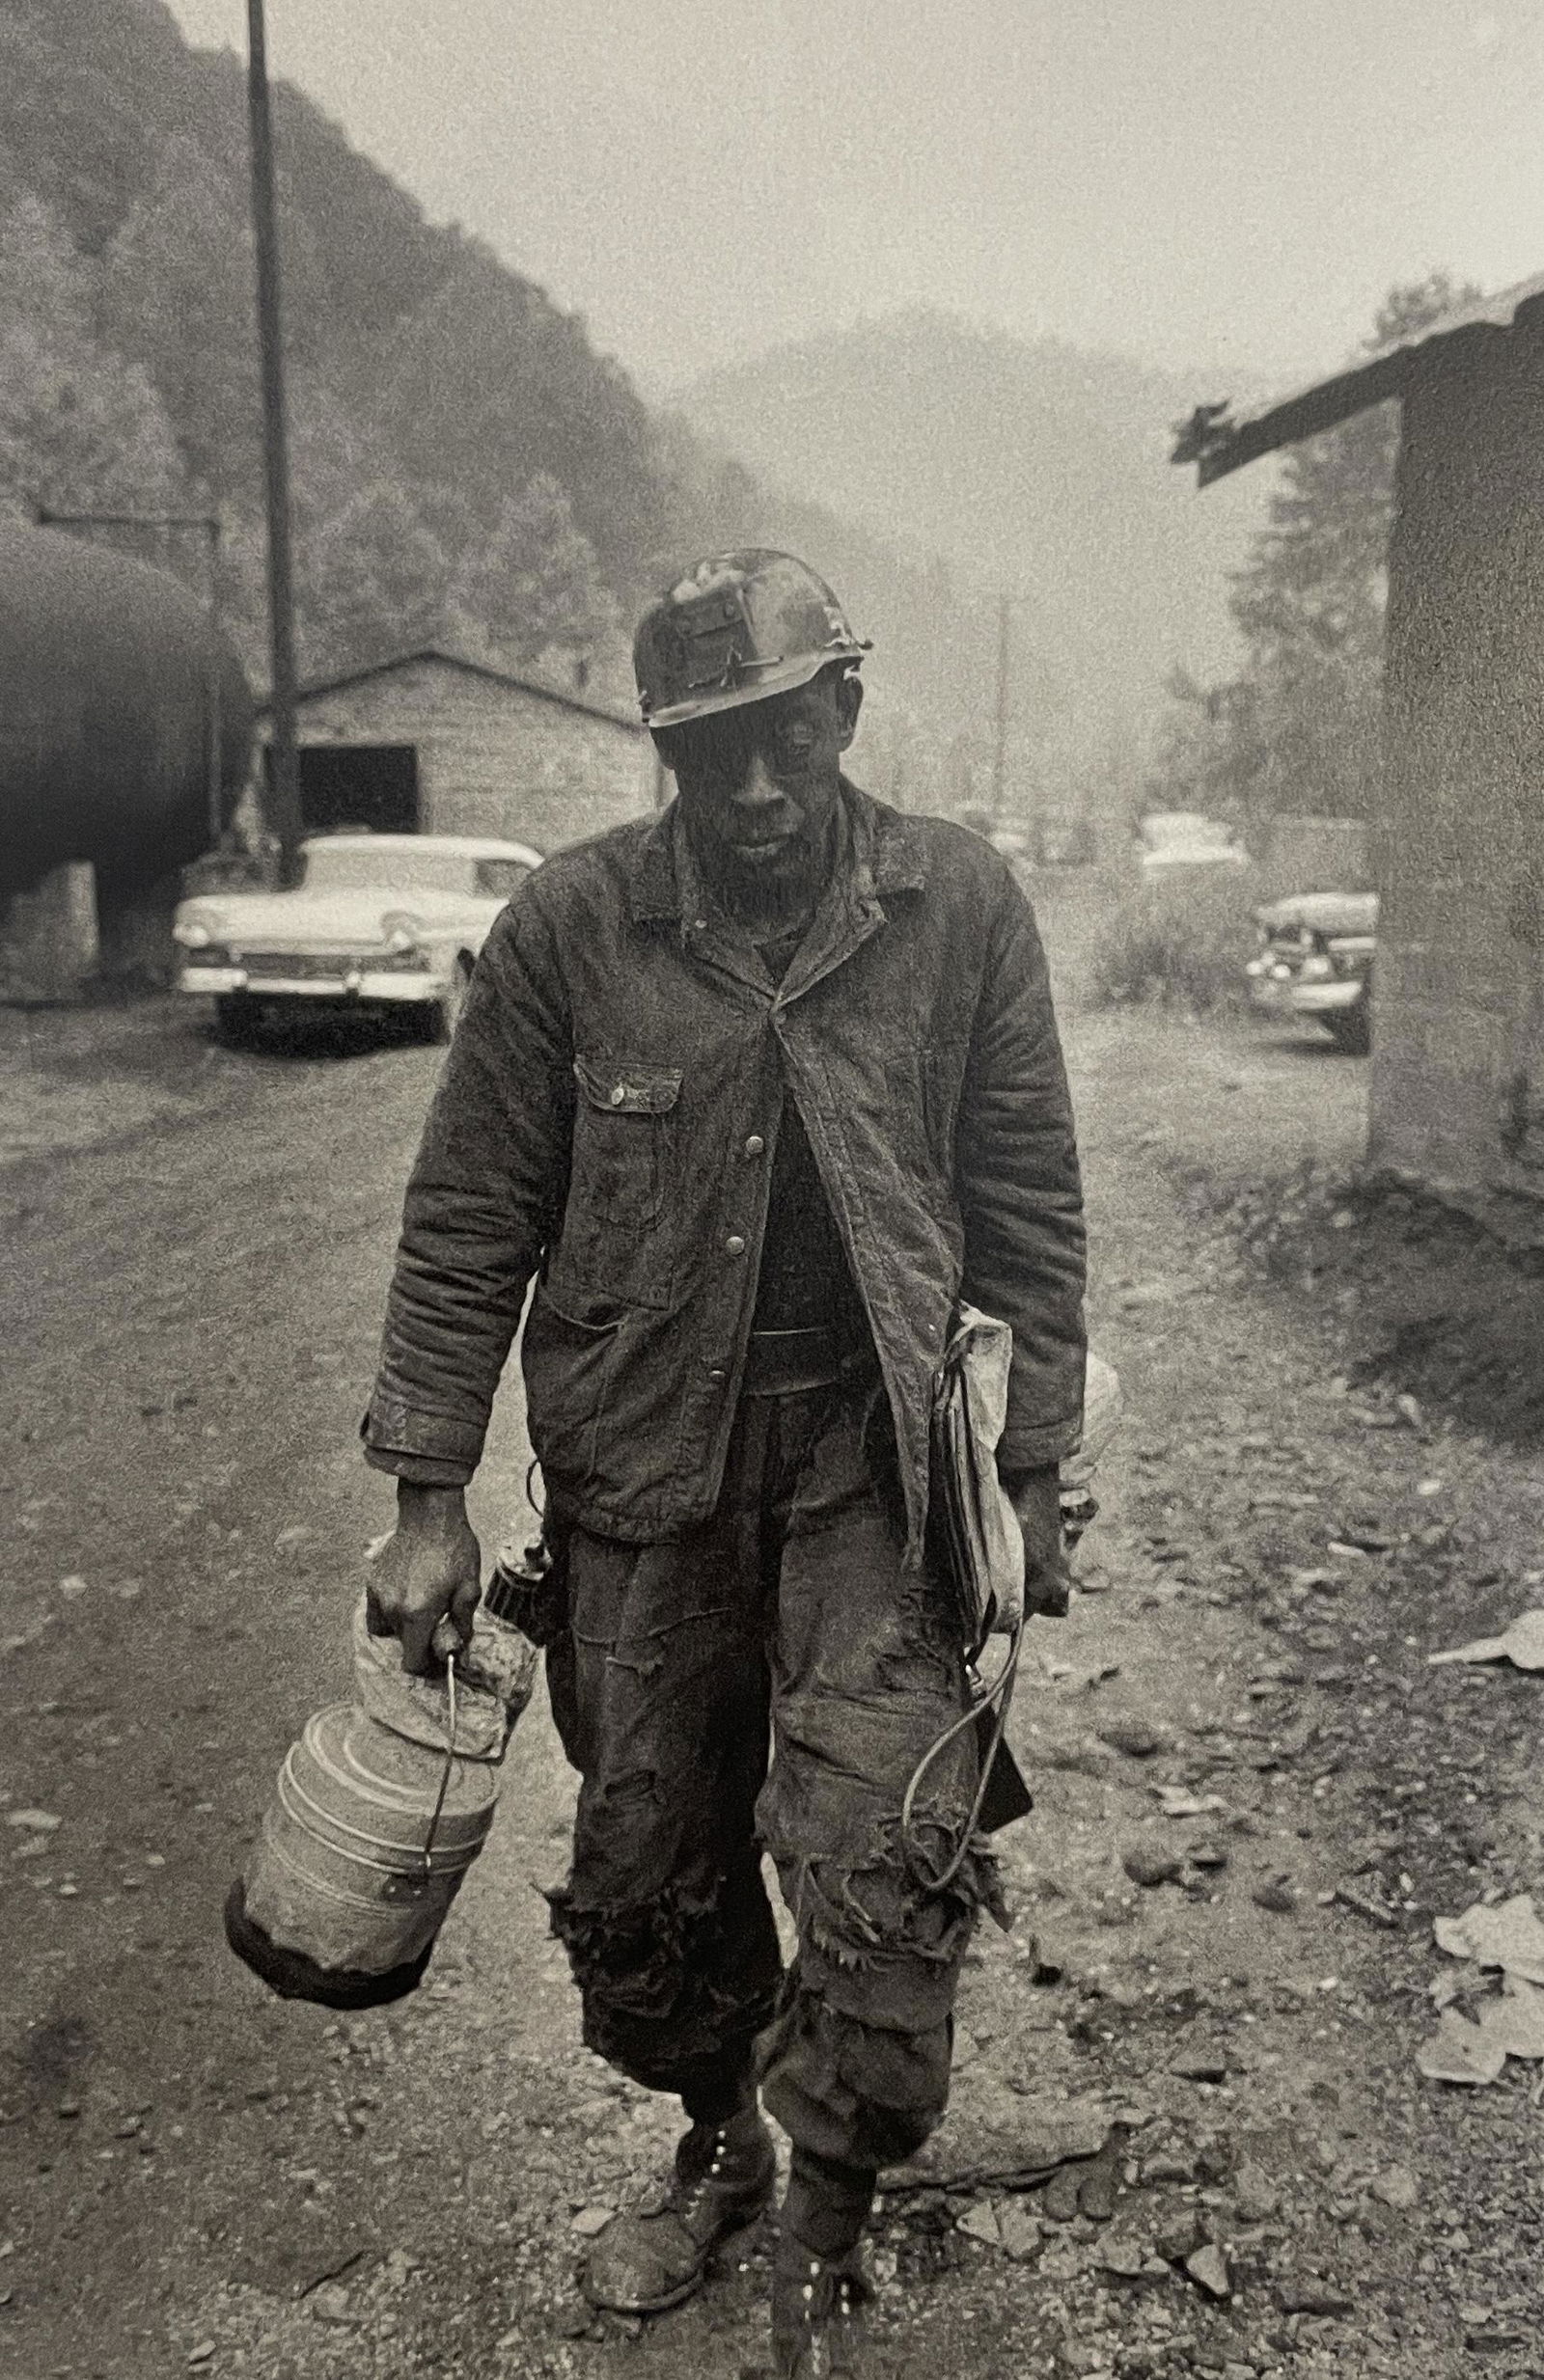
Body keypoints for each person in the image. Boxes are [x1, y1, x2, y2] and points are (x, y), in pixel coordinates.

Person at [362, 549, 1087, 2376]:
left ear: (844, 706)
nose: (755, 790)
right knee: (647, 1869)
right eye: (709, 753)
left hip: (872, 1469)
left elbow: (1025, 1214)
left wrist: (1032, 1482)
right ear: (665, 753)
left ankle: (832, 2218)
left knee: (887, 1849)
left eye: (784, 735)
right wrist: (428, 1497)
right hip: (643, 1471)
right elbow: (468, 1222)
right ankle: (720, 2141)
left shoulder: (962, 909)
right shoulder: (571, 930)